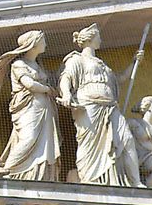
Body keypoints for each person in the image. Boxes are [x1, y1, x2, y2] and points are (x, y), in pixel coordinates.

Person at [58, 24, 145, 187]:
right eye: (98, 36)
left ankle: (136, 182)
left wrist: (134, 64)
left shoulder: (102, 64)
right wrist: (67, 94)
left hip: (110, 107)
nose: (101, 39)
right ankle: (89, 178)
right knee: (90, 144)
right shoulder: (76, 59)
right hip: (89, 106)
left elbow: (118, 79)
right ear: (90, 39)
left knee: (126, 139)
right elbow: (66, 78)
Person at [0, 30, 61, 181]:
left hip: (44, 108)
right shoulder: (18, 64)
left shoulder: (38, 65)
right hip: (28, 107)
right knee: (29, 138)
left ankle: (40, 175)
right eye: (42, 40)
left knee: (45, 142)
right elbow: (29, 84)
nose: (45, 44)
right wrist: (47, 89)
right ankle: (9, 170)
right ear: (33, 44)